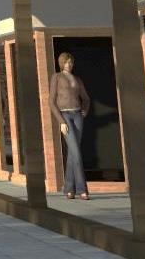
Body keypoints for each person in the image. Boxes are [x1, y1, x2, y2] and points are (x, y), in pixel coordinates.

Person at [53, 51, 92, 200]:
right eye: (66, 62)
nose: (69, 64)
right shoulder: (56, 77)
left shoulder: (77, 79)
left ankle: (69, 189)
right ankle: (83, 189)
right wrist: (61, 121)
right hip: (65, 116)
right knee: (76, 152)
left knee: (72, 153)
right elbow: (51, 101)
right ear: (61, 63)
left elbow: (86, 99)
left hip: (77, 116)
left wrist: (85, 111)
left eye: (71, 62)